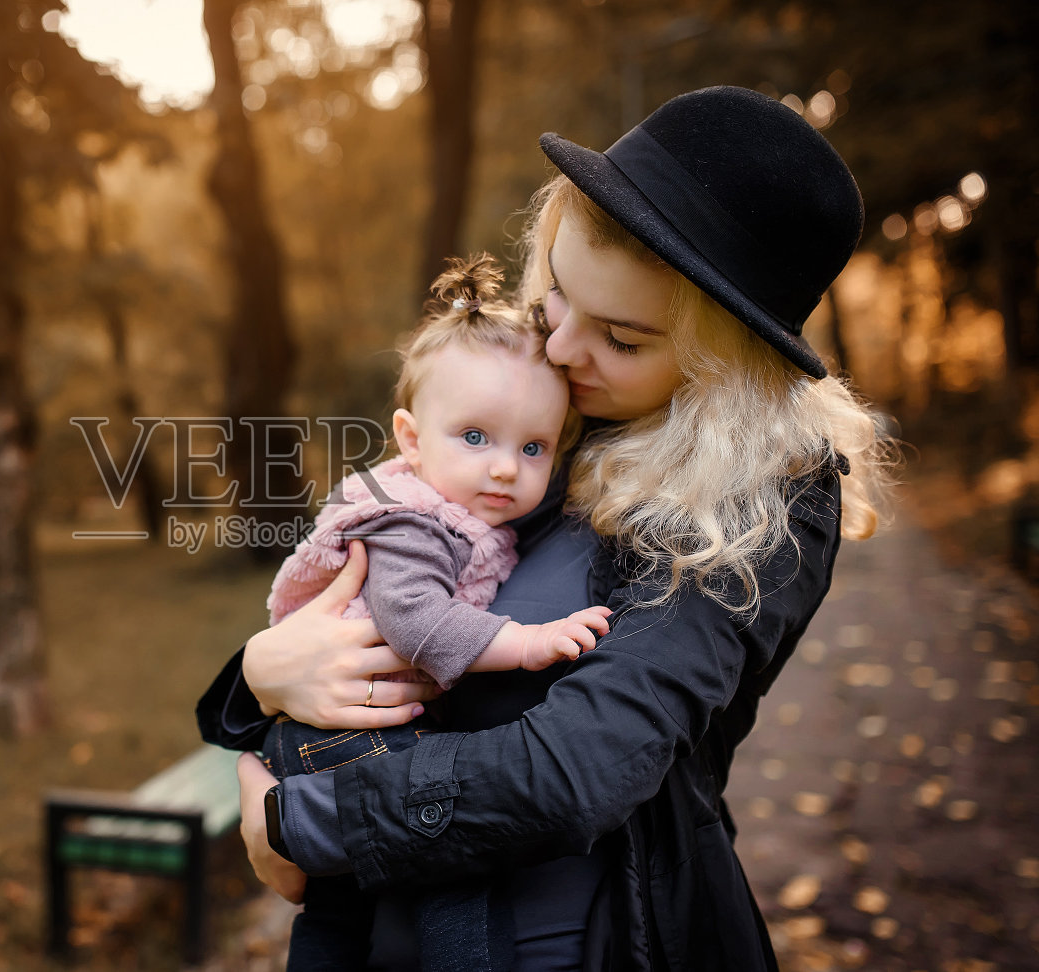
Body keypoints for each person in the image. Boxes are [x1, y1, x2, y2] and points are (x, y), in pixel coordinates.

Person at [196, 85, 897, 971]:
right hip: (391, 925)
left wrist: (298, 822)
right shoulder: (550, 407)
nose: (563, 348)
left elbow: (579, 769)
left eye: (623, 337)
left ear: (726, 366)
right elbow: (393, 558)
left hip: (598, 938)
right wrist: (261, 673)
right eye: (558, 291)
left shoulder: (763, 496)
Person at [260, 254, 612, 966]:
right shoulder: (410, 521)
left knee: (335, 907)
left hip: (339, 729)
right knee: (453, 866)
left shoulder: (466, 512)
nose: (507, 467)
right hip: (338, 734)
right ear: (412, 439)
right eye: (476, 438)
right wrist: (527, 640)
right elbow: (416, 620)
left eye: (533, 446)